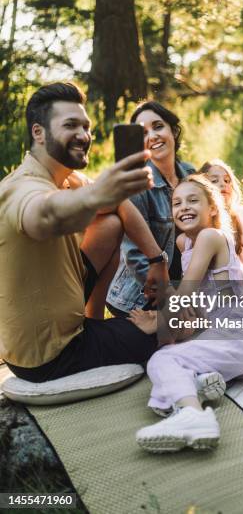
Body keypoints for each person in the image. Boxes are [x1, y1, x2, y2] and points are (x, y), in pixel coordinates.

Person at [0, 82, 169, 382]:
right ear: (39, 133)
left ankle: (95, 323)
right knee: (175, 328)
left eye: (86, 126)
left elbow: (119, 206)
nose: (83, 135)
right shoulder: (20, 189)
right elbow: (44, 215)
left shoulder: (65, 177)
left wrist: (157, 260)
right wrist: (96, 195)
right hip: (48, 354)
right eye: (70, 125)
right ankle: (98, 338)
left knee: (112, 222)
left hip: (69, 318)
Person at [130, 174, 243, 453]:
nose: (183, 207)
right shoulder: (186, 243)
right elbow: (199, 307)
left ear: (212, 208)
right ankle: (200, 386)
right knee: (181, 352)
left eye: (193, 200)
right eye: (176, 203)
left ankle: (194, 416)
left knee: (161, 361)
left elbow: (186, 292)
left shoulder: (210, 236)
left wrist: (160, 325)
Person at [107, 101, 194, 316]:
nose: (153, 136)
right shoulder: (138, 184)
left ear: (173, 131)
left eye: (158, 126)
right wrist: (170, 298)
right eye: (144, 133)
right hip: (139, 296)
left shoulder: (190, 174)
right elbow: (135, 256)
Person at [199, 159, 243, 280]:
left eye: (227, 180)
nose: (223, 184)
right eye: (214, 181)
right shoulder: (204, 224)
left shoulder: (239, 214)